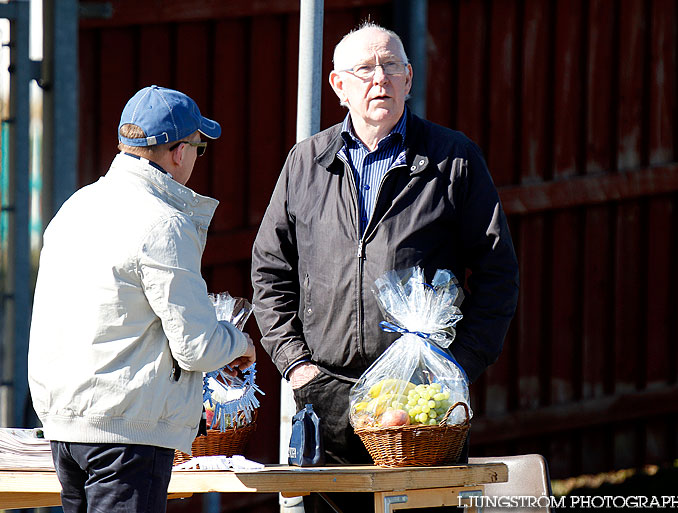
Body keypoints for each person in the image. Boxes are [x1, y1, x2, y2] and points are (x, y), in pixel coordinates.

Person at [252, 22, 518, 512]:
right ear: (338, 85)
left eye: (392, 66)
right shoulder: (306, 162)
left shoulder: (452, 159)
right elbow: (270, 271)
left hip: (421, 406)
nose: (381, 79)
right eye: (366, 69)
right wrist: (296, 366)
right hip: (325, 397)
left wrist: (458, 366)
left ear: (409, 79)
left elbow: (498, 273)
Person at [28, 85, 256, 513]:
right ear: (177, 152)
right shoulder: (164, 223)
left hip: (65, 424)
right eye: (198, 149)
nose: (195, 158)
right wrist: (240, 343)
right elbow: (197, 347)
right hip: (127, 432)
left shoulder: (75, 206)